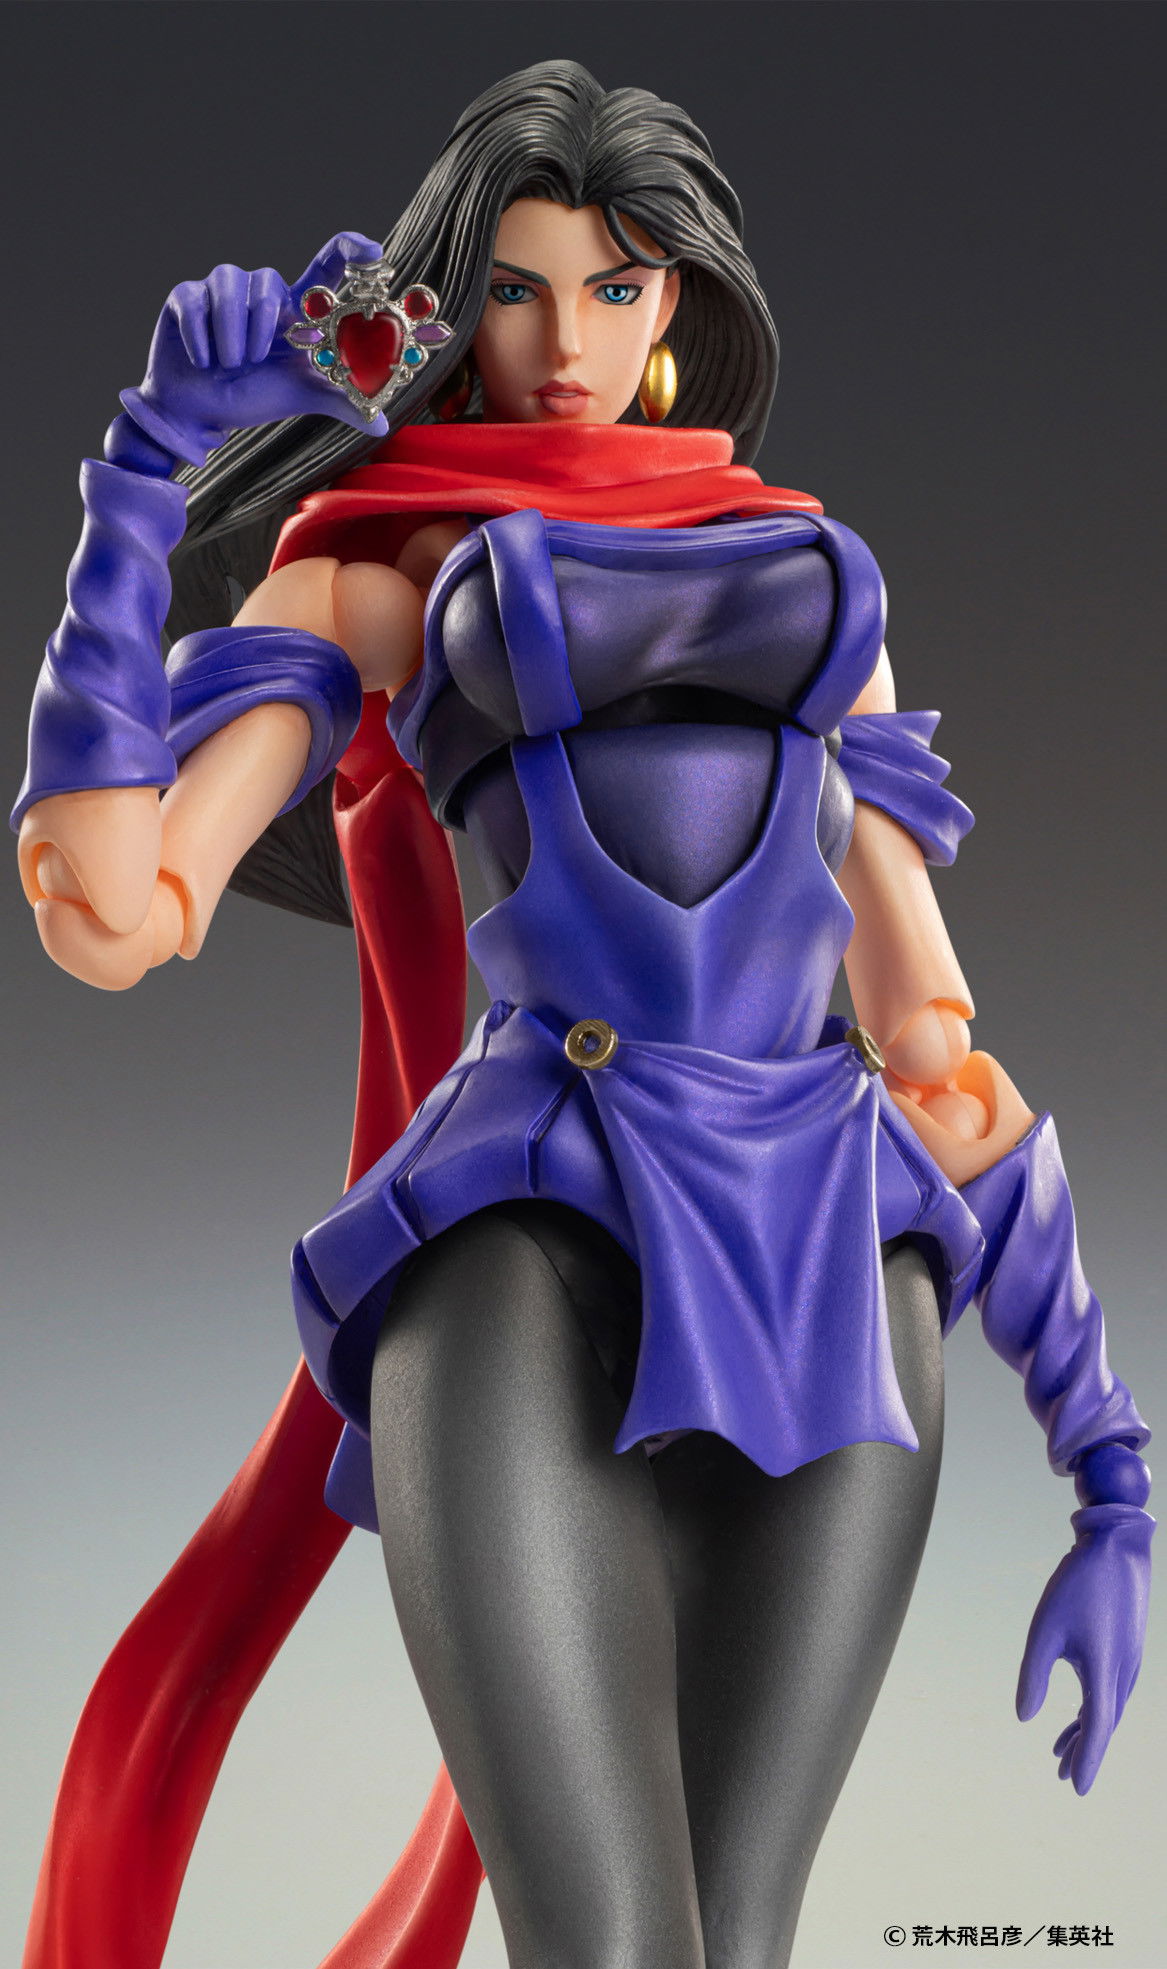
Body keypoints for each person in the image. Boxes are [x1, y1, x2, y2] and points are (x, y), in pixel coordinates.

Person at [13, 60, 1152, 1969]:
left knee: (739, 1937)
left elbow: (937, 1054)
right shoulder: (383, 574)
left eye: (616, 289)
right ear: (451, 312)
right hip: (530, 1254)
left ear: (678, 301)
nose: (566, 345)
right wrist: (137, 479)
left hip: (837, 1267)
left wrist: (1112, 1474)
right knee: (611, 1944)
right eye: (518, 290)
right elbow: (112, 909)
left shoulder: (813, 578)